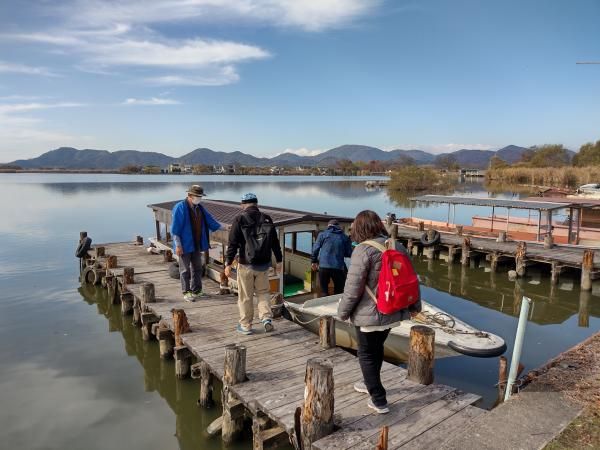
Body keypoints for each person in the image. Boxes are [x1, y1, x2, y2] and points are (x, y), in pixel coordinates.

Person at [337, 210, 421, 414]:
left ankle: (379, 398)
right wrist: (414, 306)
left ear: (359, 228)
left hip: (370, 315)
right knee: (376, 349)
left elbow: (352, 289)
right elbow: (410, 279)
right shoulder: (397, 245)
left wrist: (342, 313)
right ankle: (369, 384)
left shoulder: (362, 251)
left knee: (366, 353)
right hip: (393, 311)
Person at [224, 193, 283, 335]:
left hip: (246, 265)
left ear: (243, 204)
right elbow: (275, 242)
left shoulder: (239, 219)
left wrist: (228, 263)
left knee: (245, 296)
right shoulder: (267, 218)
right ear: (256, 204)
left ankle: (246, 325)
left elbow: (232, 244)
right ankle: (266, 319)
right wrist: (279, 261)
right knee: (263, 293)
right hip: (264, 265)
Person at [171, 185, 222, 301]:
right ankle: (186, 292)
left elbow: (211, 220)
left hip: (197, 244)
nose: (199, 198)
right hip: (184, 245)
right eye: (197, 196)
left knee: (197, 268)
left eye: (200, 196)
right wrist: (178, 245)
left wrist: (225, 227)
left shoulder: (199, 208)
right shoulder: (180, 208)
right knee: (184, 269)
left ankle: (197, 290)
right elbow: (175, 230)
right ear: (189, 196)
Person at [311, 219, 353, 295]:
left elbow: (315, 249)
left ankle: (325, 305)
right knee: (339, 290)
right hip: (338, 267)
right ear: (338, 227)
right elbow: (349, 253)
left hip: (323, 266)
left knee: (324, 290)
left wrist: (313, 261)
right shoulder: (344, 237)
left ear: (328, 226)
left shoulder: (322, 234)